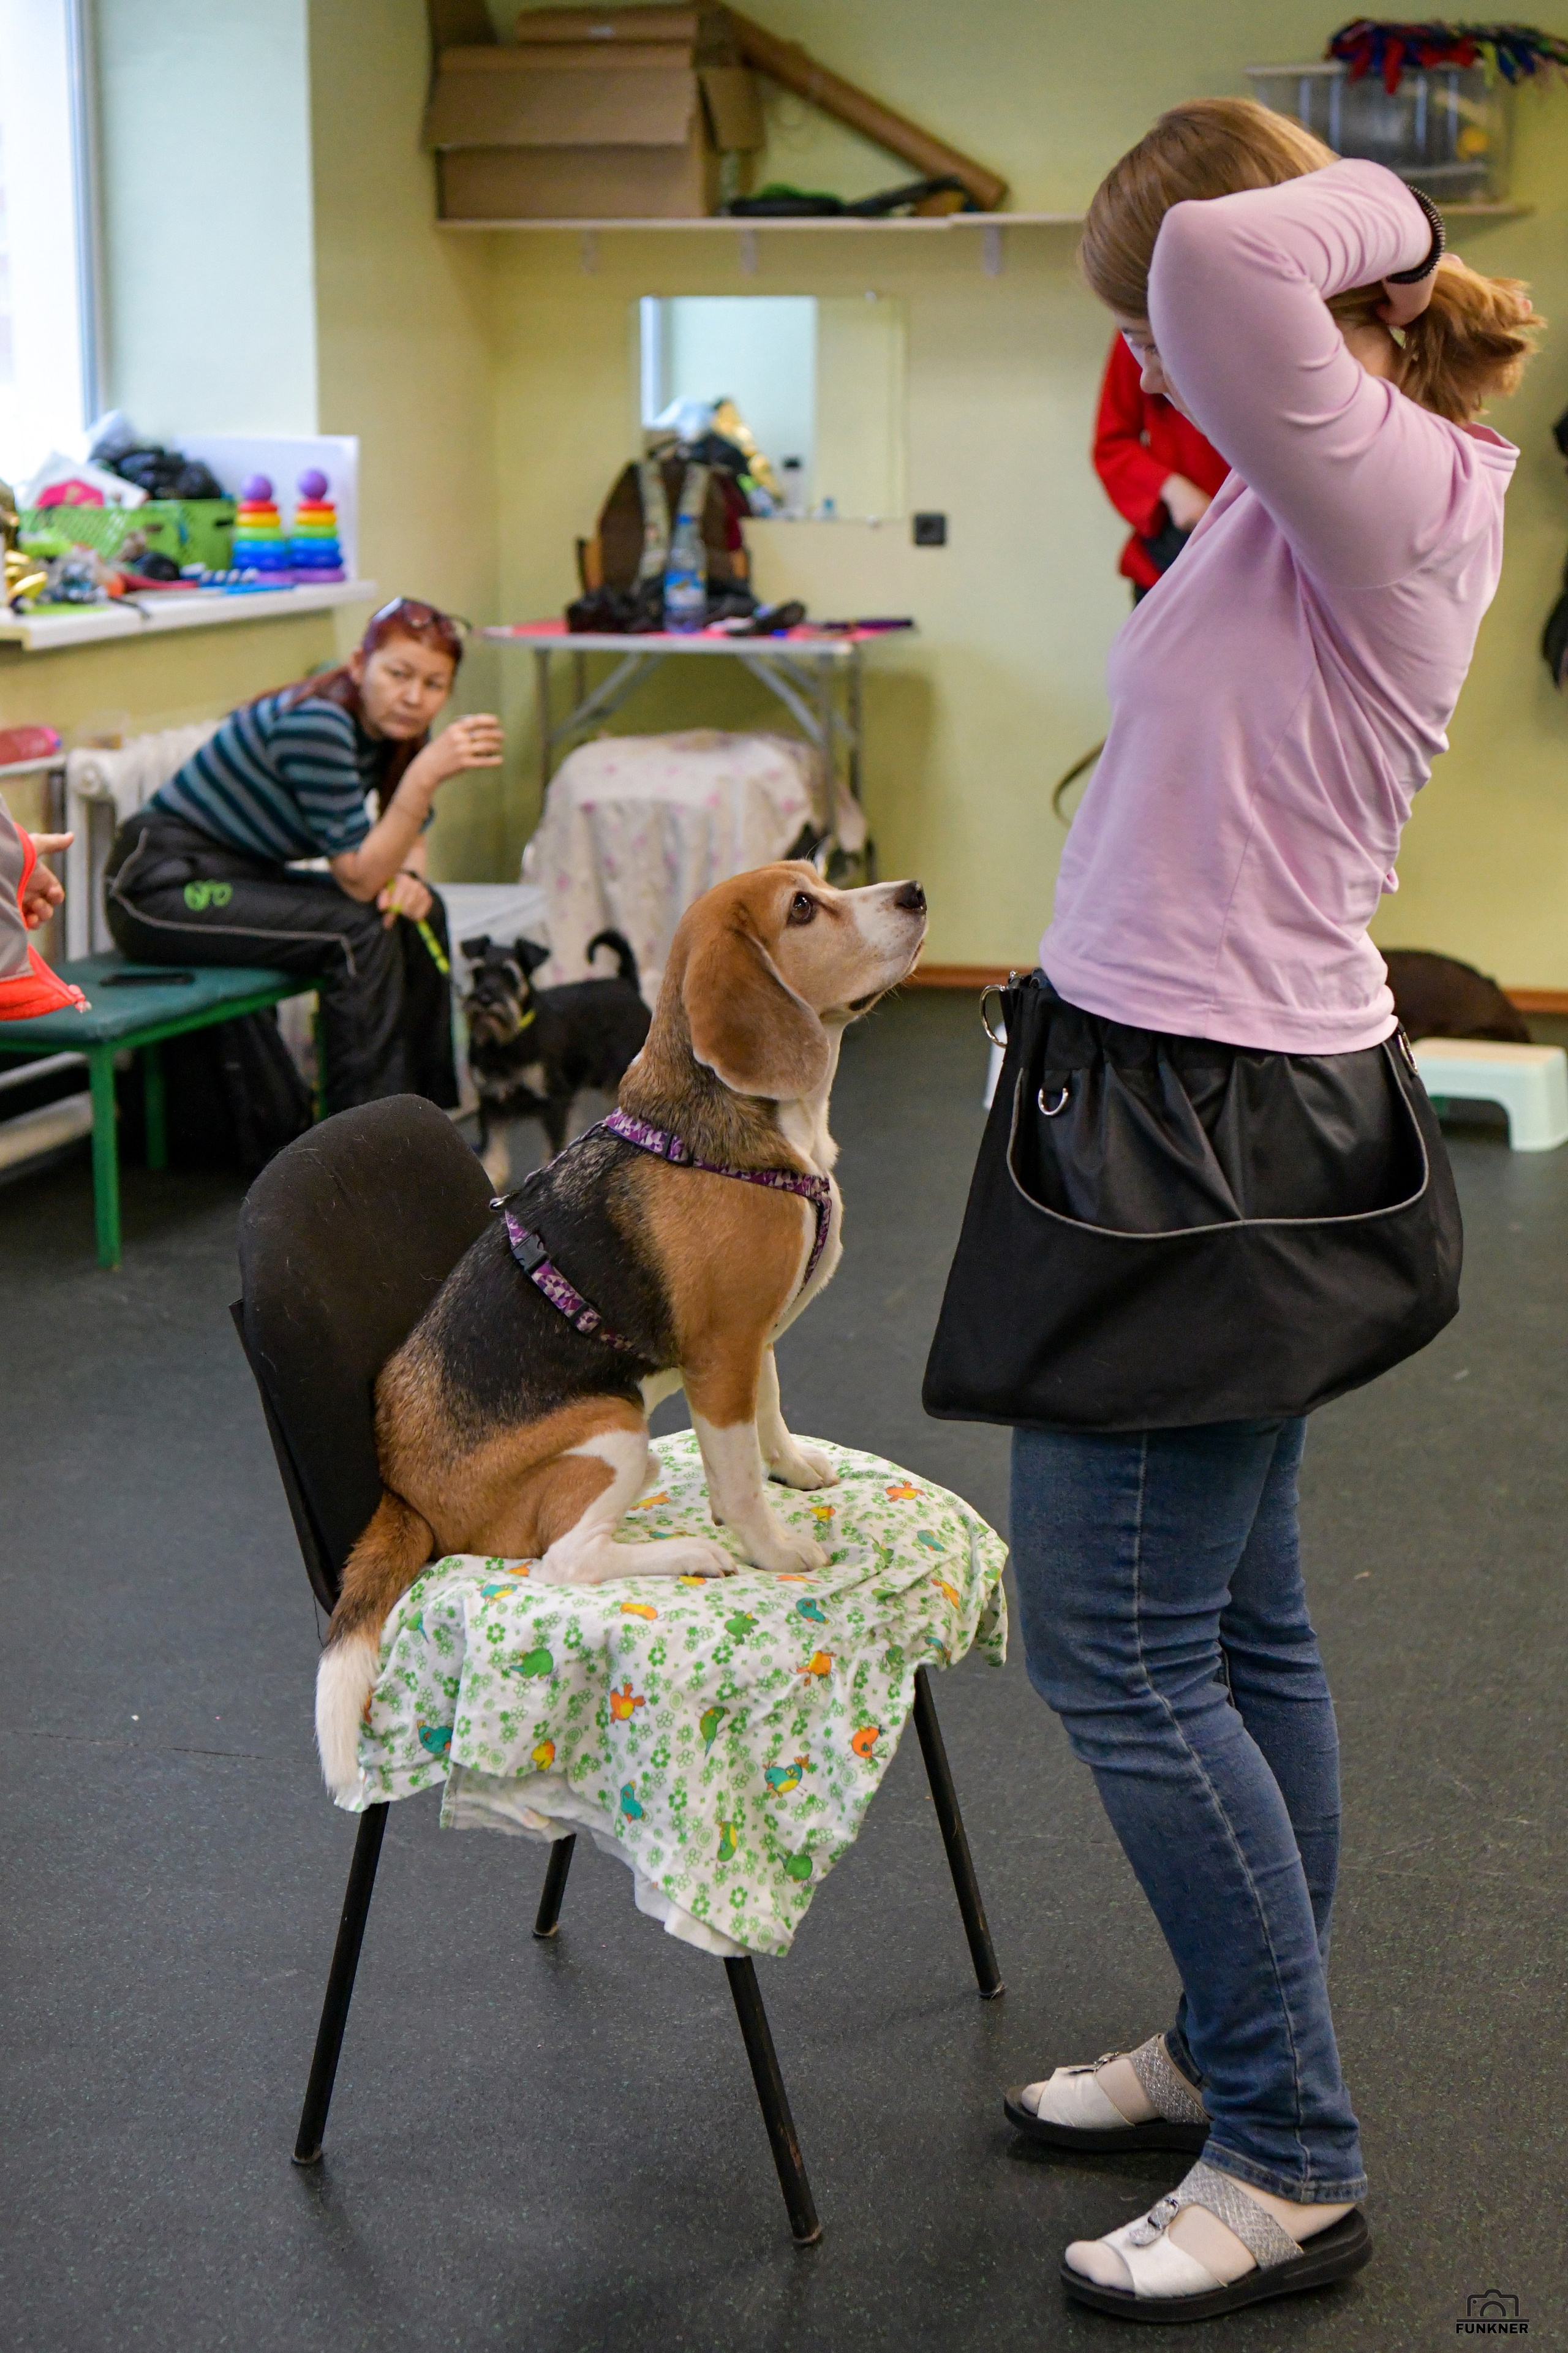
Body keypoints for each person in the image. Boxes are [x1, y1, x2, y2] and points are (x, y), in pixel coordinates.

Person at [986, 102, 1536, 2317]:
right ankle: (1233, 2050)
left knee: (1107, 1651)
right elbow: (1230, 283)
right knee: (1230, 1630)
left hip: (1203, 1131)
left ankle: (1289, 2148)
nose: (1166, 356)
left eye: (1161, 316)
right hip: (1181, 1091)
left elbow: (1223, 260)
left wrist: (1366, 201)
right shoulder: (1309, 473)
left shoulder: (1384, 479)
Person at [104, 598, 502, 1111]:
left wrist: (407, 880)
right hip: (160, 888)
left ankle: (422, 1124)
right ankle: (357, 1149)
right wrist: (426, 776)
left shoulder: (393, 731)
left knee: (416, 912)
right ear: (360, 666)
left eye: (433, 685)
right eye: (398, 674)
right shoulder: (319, 724)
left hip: (242, 875)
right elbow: (360, 878)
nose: (413, 697)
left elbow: (406, 846)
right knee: (354, 926)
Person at [1092, 330, 1229, 599]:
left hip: (1267, 568)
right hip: (1174, 558)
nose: (1150, 382)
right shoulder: (1141, 324)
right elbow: (1112, 444)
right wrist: (1173, 490)